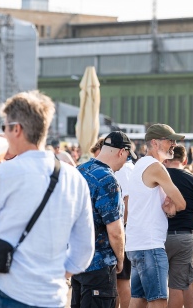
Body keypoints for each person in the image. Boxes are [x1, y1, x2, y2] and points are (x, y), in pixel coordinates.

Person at [0, 91, 94, 307]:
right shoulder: (74, 178)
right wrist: (52, 273)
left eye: (5, 128)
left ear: (16, 129)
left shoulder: (7, 173)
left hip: (7, 292)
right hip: (51, 296)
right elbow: (84, 251)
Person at [126, 124, 187, 308]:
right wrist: (171, 206)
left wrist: (168, 207)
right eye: (170, 140)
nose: (174, 145)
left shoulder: (139, 165)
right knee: (158, 300)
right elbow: (182, 203)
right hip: (150, 244)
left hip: (136, 243)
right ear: (154, 142)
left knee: (139, 299)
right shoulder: (155, 167)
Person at [72, 132, 131, 308]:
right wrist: (120, 259)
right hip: (99, 264)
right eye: (127, 157)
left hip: (77, 260)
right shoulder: (108, 180)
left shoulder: (79, 170)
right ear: (121, 152)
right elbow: (115, 230)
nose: (126, 162)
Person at [162, 145, 193, 308]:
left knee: (154, 286)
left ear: (166, 158)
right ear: (185, 160)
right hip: (184, 235)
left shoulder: (158, 177)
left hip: (158, 236)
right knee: (179, 284)